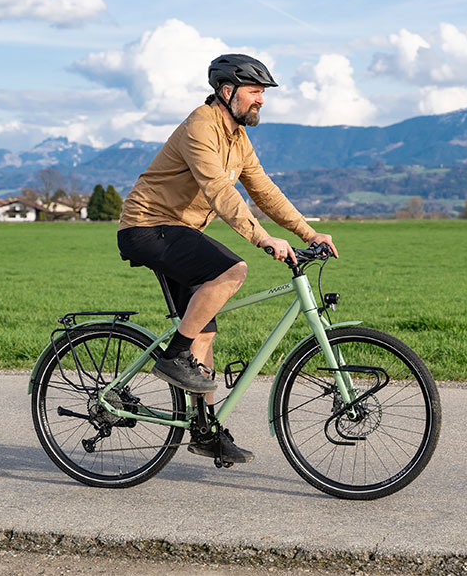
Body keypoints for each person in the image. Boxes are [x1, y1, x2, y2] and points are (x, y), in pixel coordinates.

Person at [117, 54, 338, 464]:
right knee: (232, 270)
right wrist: (261, 238)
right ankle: (173, 356)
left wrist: (308, 233)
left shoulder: (238, 138)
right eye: (255, 92)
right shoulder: (200, 126)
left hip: (179, 230)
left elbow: (264, 191)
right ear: (227, 91)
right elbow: (219, 189)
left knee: (204, 332)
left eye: (262, 94)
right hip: (146, 228)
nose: (261, 101)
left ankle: (204, 431)